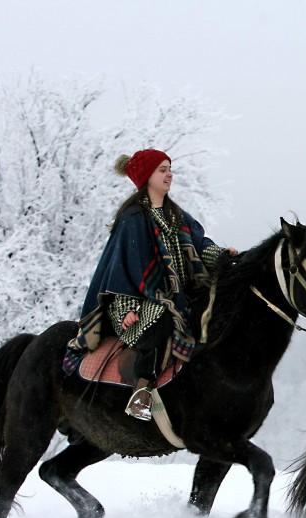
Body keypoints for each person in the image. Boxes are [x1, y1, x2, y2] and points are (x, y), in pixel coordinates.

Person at [70, 149, 236, 421]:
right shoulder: (133, 219)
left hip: (178, 297)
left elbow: (199, 244)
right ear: (146, 176)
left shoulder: (176, 215)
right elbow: (122, 271)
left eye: (169, 168)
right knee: (162, 320)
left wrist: (221, 256)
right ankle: (142, 392)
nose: (169, 174)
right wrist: (128, 309)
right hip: (134, 302)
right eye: (162, 169)